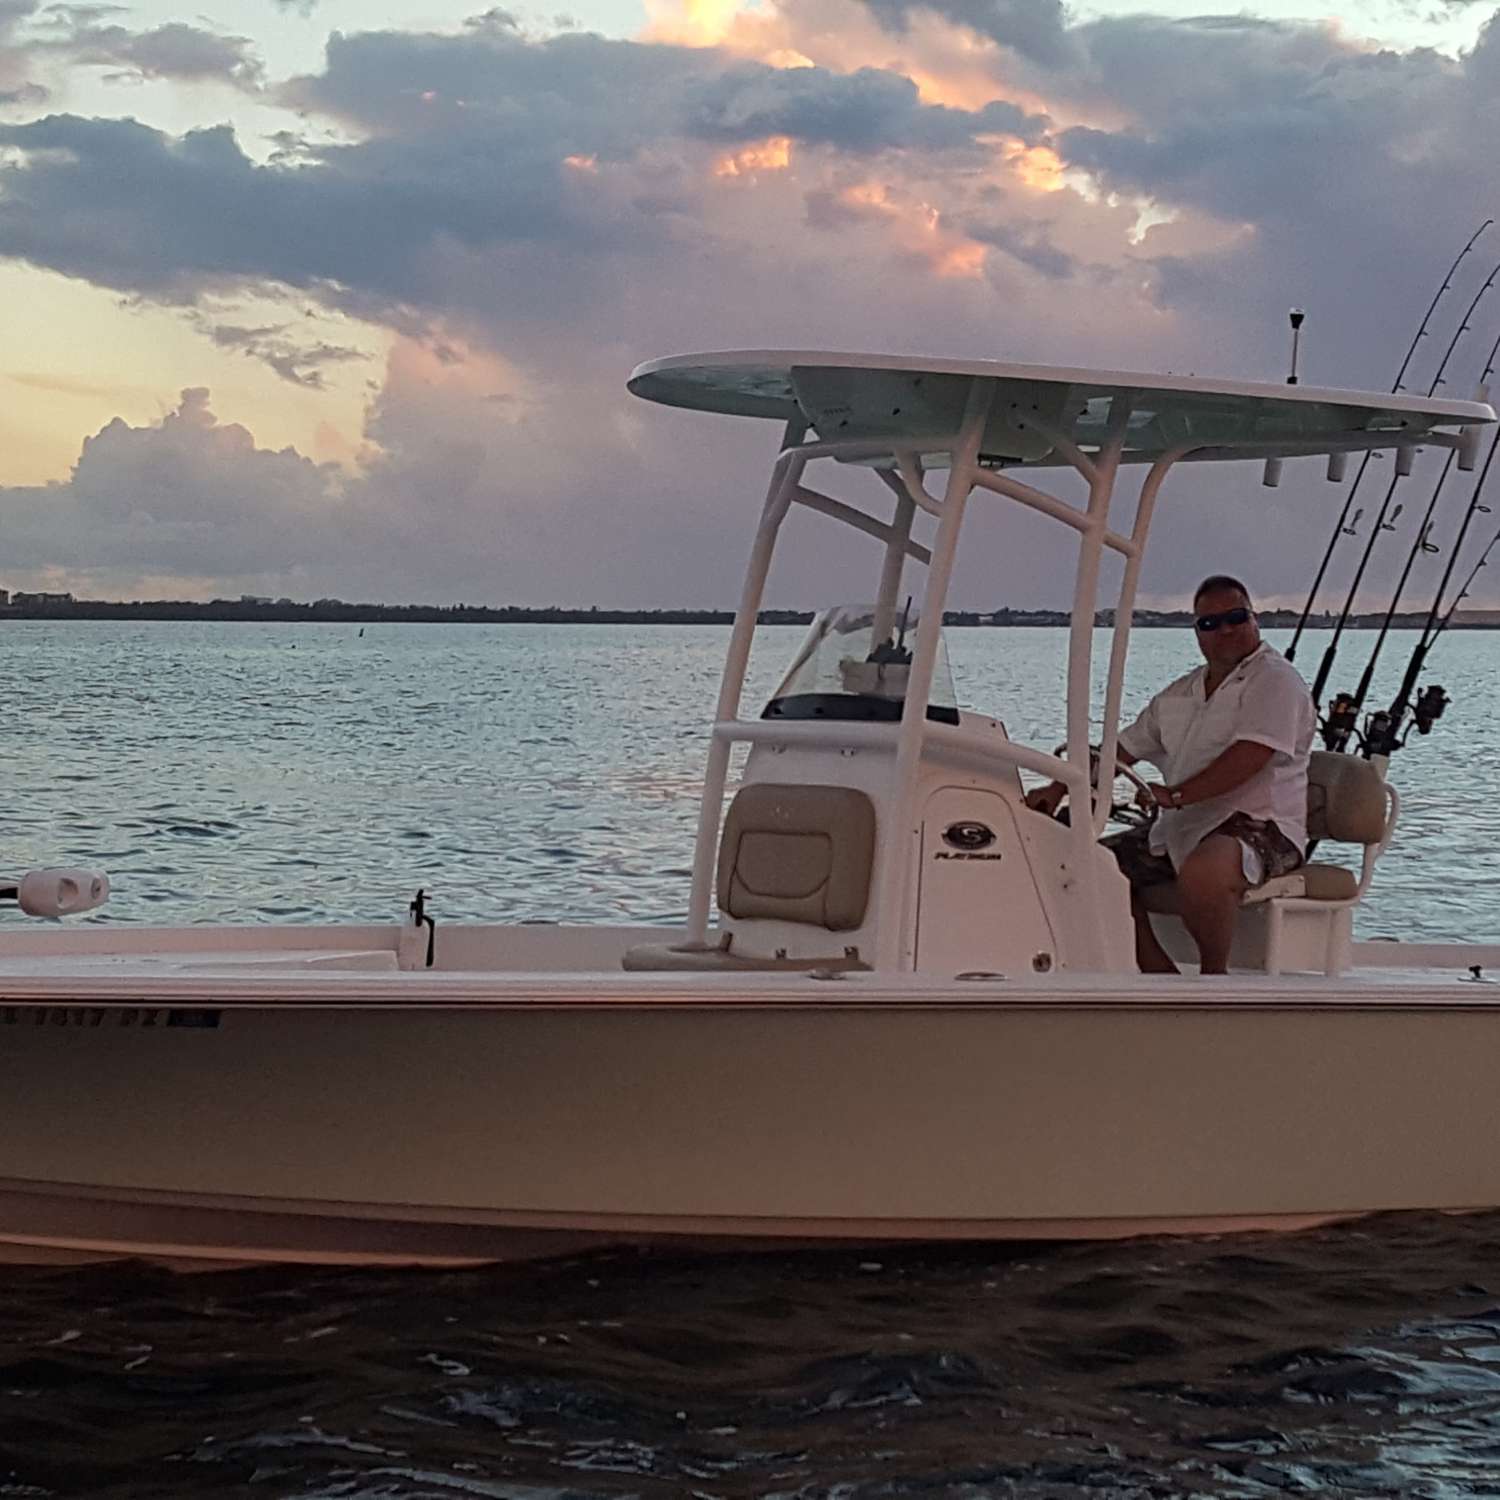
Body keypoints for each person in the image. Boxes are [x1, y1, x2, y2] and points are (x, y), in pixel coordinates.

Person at [1025, 576, 1315, 975]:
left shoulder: (1276, 681)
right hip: (1183, 827)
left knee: (1204, 872)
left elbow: (1251, 756)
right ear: (1197, 632)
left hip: (1264, 826)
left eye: (1235, 617)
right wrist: (1058, 788)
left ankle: (1213, 982)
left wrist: (1175, 796)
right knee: (1089, 867)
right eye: (1210, 624)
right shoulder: (1182, 692)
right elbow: (1118, 751)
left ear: (1254, 619)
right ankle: (1159, 978)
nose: (1225, 629)